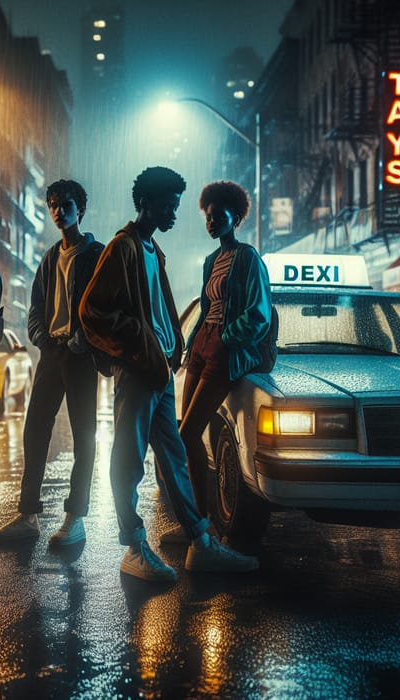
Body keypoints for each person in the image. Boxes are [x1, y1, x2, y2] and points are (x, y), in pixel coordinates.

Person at [79, 166, 259, 582]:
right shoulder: (122, 247)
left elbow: (158, 311)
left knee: (175, 457)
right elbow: (92, 312)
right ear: (147, 203)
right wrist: (138, 345)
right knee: (127, 460)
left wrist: (170, 348)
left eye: (177, 206)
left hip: (158, 372)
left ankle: (202, 542)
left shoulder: (152, 249)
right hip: (140, 370)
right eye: (170, 205)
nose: (175, 213)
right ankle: (134, 546)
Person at [0, 180, 104, 547]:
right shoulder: (51, 257)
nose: (58, 210)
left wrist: (85, 338)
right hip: (51, 354)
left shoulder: (97, 254)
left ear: (80, 208)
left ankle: (75, 517)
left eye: (65, 203)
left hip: (82, 357)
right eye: (52, 204)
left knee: (85, 435)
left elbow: (106, 304)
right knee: (34, 430)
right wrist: (41, 338)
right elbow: (36, 309)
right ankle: (28, 515)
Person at [161, 181, 272, 542]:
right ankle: (197, 522)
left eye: (218, 216)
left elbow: (259, 314)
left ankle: (200, 525)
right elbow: (209, 308)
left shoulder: (248, 257)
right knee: (188, 435)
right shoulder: (212, 261)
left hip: (224, 352)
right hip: (201, 348)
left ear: (235, 216)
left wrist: (226, 339)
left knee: (187, 433)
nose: (211, 222)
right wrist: (191, 344)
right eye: (208, 217)